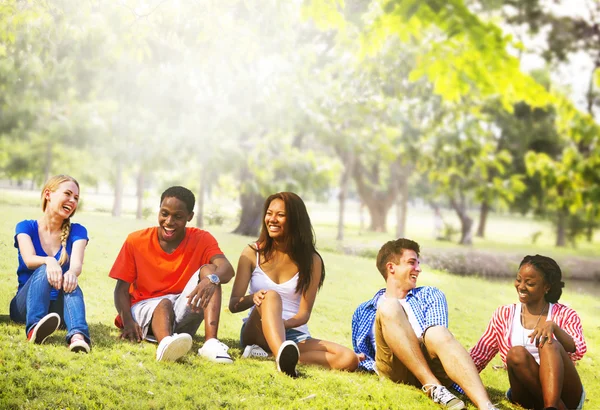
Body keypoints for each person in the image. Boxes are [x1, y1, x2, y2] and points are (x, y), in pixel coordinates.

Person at [352, 238, 498, 410]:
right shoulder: (365, 310)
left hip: (431, 364)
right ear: (391, 267)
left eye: (418, 264)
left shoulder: (430, 295)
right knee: (390, 306)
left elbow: (438, 338)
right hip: (394, 369)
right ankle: (433, 387)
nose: (418, 269)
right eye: (412, 263)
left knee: (436, 332)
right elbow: (364, 355)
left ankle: (486, 405)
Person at [229, 192, 359, 377]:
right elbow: (234, 304)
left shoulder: (312, 261)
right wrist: (253, 298)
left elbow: (303, 314)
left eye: (280, 215)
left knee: (348, 358)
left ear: (295, 220)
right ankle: (281, 359)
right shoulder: (252, 253)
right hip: (256, 331)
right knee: (271, 295)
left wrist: (280, 324)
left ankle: (271, 355)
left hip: (294, 334)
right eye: (269, 213)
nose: (272, 219)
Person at [109, 186, 235, 363]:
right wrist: (128, 322)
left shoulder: (202, 238)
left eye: (178, 217)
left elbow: (227, 269)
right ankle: (165, 345)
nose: (169, 221)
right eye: (164, 213)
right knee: (164, 303)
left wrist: (211, 280)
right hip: (144, 307)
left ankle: (211, 343)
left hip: (181, 308)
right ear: (159, 210)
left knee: (210, 271)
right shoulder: (136, 240)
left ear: (189, 216)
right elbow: (120, 290)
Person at [470, 255, 586, 410]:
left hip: (566, 393)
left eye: (530, 283)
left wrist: (554, 328)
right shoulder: (504, 314)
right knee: (516, 353)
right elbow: (479, 356)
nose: (521, 286)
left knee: (548, 343)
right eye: (519, 280)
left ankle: (552, 406)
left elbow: (578, 349)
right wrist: (449, 377)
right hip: (527, 394)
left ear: (547, 287)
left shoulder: (565, 314)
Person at [9, 174, 91, 353]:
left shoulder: (78, 231)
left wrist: (71, 273)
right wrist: (49, 260)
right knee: (45, 267)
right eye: (67, 194)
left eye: (76, 197)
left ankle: (77, 337)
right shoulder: (25, 227)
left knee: (71, 282)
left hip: (57, 310)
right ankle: (34, 328)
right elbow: (29, 259)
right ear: (48, 194)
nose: (72, 200)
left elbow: (76, 264)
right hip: (24, 307)